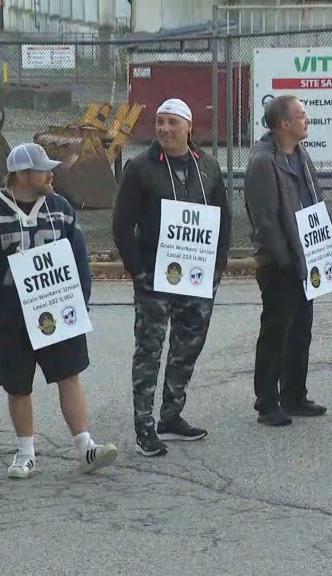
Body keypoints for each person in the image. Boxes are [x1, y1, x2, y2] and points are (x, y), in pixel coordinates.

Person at [0, 142, 118, 477]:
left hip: (57, 309)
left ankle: (85, 447)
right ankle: (25, 452)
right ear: (21, 174)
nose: (52, 174)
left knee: (69, 375)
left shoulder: (60, 208)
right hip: (12, 315)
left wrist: (81, 303)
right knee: (18, 385)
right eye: (44, 169)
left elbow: (79, 260)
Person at [112, 98, 231, 455]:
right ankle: (144, 426)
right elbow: (121, 224)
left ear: (188, 127)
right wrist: (138, 270)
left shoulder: (207, 166)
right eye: (159, 122)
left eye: (171, 122)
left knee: (187, 346)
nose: (164, 128)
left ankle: (171, 415)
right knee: (149, 350)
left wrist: (217, 267)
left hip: (197, 276)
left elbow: (223, 219)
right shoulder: (140, 167)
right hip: (155, 277)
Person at [243, 95, 328, 426]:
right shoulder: (264, 162)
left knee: (301, 329)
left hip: (307, 257)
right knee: (277, 331)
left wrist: (321, 249)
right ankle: (267, 402)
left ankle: (295, 395)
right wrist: (282, 258)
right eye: (301, 116)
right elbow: (264, 219)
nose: (307, 120)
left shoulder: (301, 155)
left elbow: (314, 199)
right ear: (283, 124)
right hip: (279, 262)